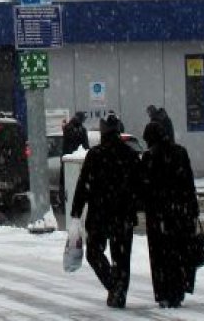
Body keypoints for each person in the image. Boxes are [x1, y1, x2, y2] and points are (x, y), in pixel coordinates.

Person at [71, 113, 140, 309]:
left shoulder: (95, 155)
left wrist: (76, 211)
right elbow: (140, 186)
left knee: (94, 252)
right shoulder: (130, 155)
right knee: (122, 258)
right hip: (123, 215)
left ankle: (112, 285)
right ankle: (120, 292)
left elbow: (83, 185)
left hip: (99, 213)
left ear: (103, 132)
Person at [138, 120, 201, 308]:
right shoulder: (180, 153)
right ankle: (178, 290)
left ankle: (163, 292)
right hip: (180, 214)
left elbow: (144, 187)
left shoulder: (149, 158)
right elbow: (188, 183)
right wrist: (193, 209)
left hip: (158, 215)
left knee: (160, 256)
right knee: (179, 253)